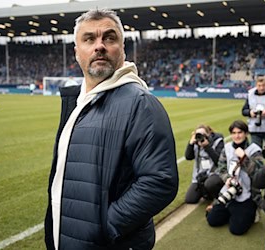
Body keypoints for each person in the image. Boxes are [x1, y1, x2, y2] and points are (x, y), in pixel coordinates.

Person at [44, 9, 179, 250]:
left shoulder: (140, 103)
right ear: (76, 52)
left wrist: (106, 227)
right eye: (89, 39)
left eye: (109, 38)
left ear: (122, 49)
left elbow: (159, 180)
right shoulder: (77, 102)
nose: (99, 46)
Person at [206, 120, 264, 235]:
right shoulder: (227, 147)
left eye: (240, 132)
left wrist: (244, 158)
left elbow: (259, 174)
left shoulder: (254, 149)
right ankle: (232, 211)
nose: (236, 136)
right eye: (234, 133)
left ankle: (252, 211)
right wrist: (227, 178)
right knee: (212, 220)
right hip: (229, 191)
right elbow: (221, 168)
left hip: (248, 194)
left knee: (237, 230)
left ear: (246, 133)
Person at [184, 124, 225, 203]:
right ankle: (206, 194)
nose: (200, 137)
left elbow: (219, 162)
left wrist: (207, 147)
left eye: (203, 135)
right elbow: (188, 157)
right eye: (198, 135)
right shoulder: (196, 144)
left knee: (210, 184)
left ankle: (218, 195)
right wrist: (190, 143)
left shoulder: (217, 142)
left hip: (215, 174)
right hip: (200, 175)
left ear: (209, 134)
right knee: (190, 199)